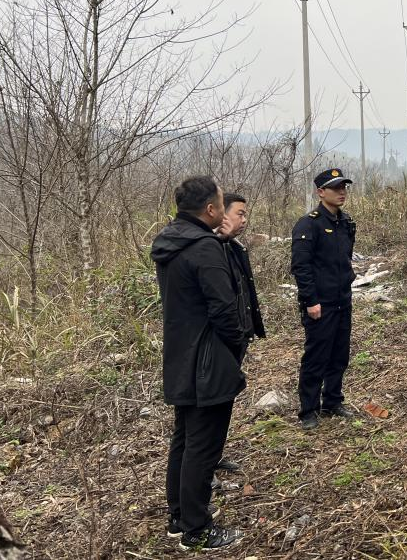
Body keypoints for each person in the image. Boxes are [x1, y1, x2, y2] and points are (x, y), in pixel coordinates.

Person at [151, 176, 246, 551]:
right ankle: (196, 529)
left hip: (180, 353)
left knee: (185, 439)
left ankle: (179, 517)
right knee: (203, 446)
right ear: (210, 210)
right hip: (208, 360)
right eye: (222, 205)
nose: (225, 212)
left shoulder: (172, 241)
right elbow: (224, 310)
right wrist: (233, 347)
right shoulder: (205, 248)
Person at [291, 168, 357, 430]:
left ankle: (332, 400)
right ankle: (308, 410)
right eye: (335, 188)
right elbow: (301, 266)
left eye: (344, 187)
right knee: (316, 356)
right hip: (320, 303)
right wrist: (310, 301)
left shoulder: (346, 222)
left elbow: (345, 259)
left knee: (339, 354)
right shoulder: (309, 224)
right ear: (321, 192)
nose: (341, 192)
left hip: (342, 298)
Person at [214, 192, 267, 473]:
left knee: (225, 401)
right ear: (221, 214)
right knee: (213, 405)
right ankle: (205, 464)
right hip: (221, 342)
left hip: (238, 338)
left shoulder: (234, 248)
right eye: (240, 214)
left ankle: (214, 455)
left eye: (246, 214)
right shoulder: (210, 250)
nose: (245, 220)